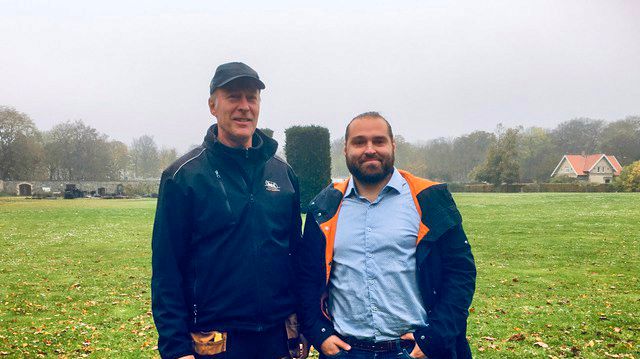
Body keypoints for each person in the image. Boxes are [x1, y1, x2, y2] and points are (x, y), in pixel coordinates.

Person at [152, 62, 307, 359]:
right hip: (215, 341)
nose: (244, 107)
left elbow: (295, 256)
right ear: (213, 105)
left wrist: (303, 323)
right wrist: (174, 348)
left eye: (252, 98)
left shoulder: (283, 174)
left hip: (277, 338)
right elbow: (167, 269)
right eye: (234, 97)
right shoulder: (184, 176)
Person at [295, 112, 476, 358]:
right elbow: (307, 277)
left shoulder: (430, 198)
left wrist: (436, 337)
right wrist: (319, 332)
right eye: (359, 142)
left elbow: (460, 272)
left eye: (378, 141)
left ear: (393, 146)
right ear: (345, 150)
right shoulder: (324, 206)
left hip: (414, 351)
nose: (369, 149)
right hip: (346, 350)